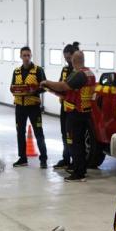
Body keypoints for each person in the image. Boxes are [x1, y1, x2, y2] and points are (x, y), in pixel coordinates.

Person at [41, 50, 96, 182]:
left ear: (73, 60)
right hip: (85, 113)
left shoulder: (78, 74)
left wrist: (47, 82)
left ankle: (78, 173)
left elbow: (63, 86)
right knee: (80, 143)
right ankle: (80, 169)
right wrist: (52, 90)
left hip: (75, 114)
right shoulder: (90, 73)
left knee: (74, 143)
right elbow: (72, 92)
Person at [9, 46, 48, 168]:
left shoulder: (38, 70)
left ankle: (43, 159)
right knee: (20, 132)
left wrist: (34, 89)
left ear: (31, 56)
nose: (26, 58)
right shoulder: (16, 71)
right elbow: (13, 86)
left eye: (28, 55)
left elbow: (45, 87)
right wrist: (13, 90)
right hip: (20, 106)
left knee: (38, 132)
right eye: (24, 55)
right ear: (20, 56)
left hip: (33, 107)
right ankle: (22, 158)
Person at [53, 42, 79, 170]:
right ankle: (66, 158)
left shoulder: (78, 71)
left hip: (74, 109)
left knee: (72, 136)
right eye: (65, 58)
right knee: (64, 134)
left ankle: (75, 161)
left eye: (69, 58)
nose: (67, 61)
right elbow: (60, 84)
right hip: (64, 106)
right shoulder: (64, 70)